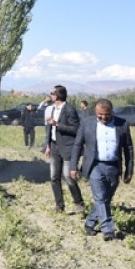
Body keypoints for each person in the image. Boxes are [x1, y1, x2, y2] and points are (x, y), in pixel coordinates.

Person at [70, 98, 133, 240]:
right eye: (100, 115)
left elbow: (128, 148)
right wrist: (74, 166)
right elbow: (77, 145)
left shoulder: (122, 124)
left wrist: (129, 169)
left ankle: (89, 223)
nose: (104, 118)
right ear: (95, 112)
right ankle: (108, 229)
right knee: (100, 197)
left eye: (107, 114)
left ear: (112, 112)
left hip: (114, 167)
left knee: (105, 199)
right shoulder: (87, 123)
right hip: (95, 166)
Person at [45, 85, 85, 214]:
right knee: (54, 177)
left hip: (68, 147)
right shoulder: (52, 109)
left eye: (52, 93)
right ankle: (59, 206)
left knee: (68, 176)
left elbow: (76, 129)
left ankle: (79, 203)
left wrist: (58, 125)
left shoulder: (69, 110)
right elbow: (49, 129)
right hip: (55, 146)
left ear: (58, 95)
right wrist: (48, 145)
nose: (50, 95)